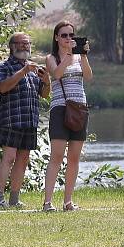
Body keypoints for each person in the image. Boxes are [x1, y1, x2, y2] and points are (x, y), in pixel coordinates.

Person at [0, 32, 51, 208]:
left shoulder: (34, 69)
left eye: (28, 43)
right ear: (12, 46)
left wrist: (47, 81)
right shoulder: (3, 66)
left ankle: (14, 199)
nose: (26, 46)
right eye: (22, 43)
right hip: (10, 119)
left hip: (30, 120)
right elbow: (3, 87)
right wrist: (23, 71)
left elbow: (44, 94)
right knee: (9, 157)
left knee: (23, 159)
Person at [42, 21, 93, 212]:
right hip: (60, 109)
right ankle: (48, 202)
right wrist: (70, 56)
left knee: (74, 157)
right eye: (64, 35)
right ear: (56, 37)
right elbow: (56, 74)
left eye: (71, 35)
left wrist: (84, 55)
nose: (68, 39)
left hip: (79, 109)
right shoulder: (51, 57)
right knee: (56, 156)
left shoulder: (79, 57)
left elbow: (88, 77)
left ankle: (68, 202)